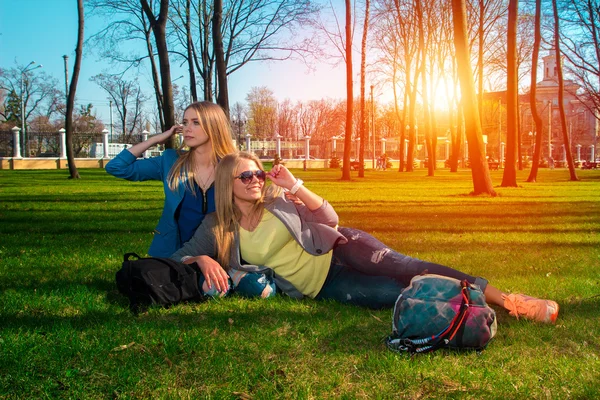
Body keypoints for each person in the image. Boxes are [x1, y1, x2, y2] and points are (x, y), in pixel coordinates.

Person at [172, 151, 559, 323]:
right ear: (228, 184)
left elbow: (330, 218)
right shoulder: (216, 228)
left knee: (410, 268)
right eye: (246, 176)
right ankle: (473, 312)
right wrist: (202, 259)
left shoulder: (277, 200)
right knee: (396, 295)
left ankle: (511, 300)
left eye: (257, 174)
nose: (256, 180)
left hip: (344, 249)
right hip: (324, 287)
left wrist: (296, 185)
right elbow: (176, 259)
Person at [106, 101, 237, 295]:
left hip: (220, 252)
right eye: (185, 122)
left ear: (214, 126)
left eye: (196, 122)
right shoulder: (170, 161)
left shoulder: (232, 165)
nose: (187, 128)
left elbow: (254, 197)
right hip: (174, 254)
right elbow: (117, 167)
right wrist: (156, 139)